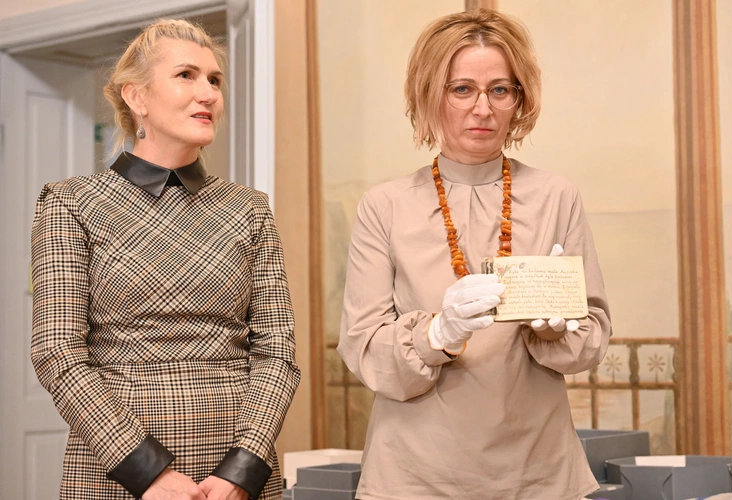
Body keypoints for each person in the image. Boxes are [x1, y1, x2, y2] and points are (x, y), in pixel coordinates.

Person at [337, 8, 612, 500]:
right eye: (462, 89)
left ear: (519, 99)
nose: (483, 109)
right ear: (429, 94)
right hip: (413, 474)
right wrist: (437, 333)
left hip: (538, 473)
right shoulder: (385, 206)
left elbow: (591, 336)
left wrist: (556, 330)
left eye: (500, 90)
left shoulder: (557, 197)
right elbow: (363, 349)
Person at [30, 19, 300, 500]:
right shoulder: (71, 203)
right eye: (186, 75)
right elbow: (57, 353)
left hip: (236, 469)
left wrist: (243, 468)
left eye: (214, 80)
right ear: (137, 97)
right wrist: (148, 472)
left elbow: (277, 352)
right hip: (118, 470)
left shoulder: (249, 209)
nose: (208, 93)